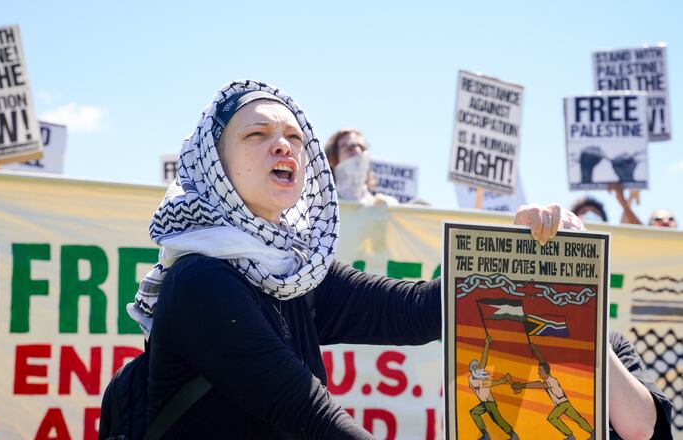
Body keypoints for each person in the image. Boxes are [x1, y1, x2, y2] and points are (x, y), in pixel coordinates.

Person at [113, 80, 569, 439]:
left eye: (293, 135)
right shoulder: (198, 279)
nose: (283, 145)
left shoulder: (293, 270)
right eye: (257, 134)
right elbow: (305, 408)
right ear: (216, 166)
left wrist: (519, 249)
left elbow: (416, 312)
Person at [512, 343, 593, 440]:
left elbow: (539, 384)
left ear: (546, 372)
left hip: (562, 405)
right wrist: (535, 349)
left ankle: (571, 436)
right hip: (565, 403)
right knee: (578, 419)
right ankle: (590, 433)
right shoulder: (548, 378)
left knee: (552, 418)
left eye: (540, 371)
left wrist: (521, 385)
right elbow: (543, 362)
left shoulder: (551, 381)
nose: (539, 372)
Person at [324, 128, 397, 205]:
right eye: (349, 147)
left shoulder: (383, 206)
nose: (358, 152)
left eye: (362, 148)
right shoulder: (321, 206)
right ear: (332, 159)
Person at [468, 335, 518, 440]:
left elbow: (483, 362)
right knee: (474, 412)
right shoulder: (472, 379)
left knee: (498, 420)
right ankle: (485, 435)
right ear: (472, 369)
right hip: (484, 403)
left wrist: (486, 344)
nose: (479, 367)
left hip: (490, 403)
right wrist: (501, 381)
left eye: (478, 366)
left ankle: (513, 435)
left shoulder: (480, 375)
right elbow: (486, 383)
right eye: (476, 366)